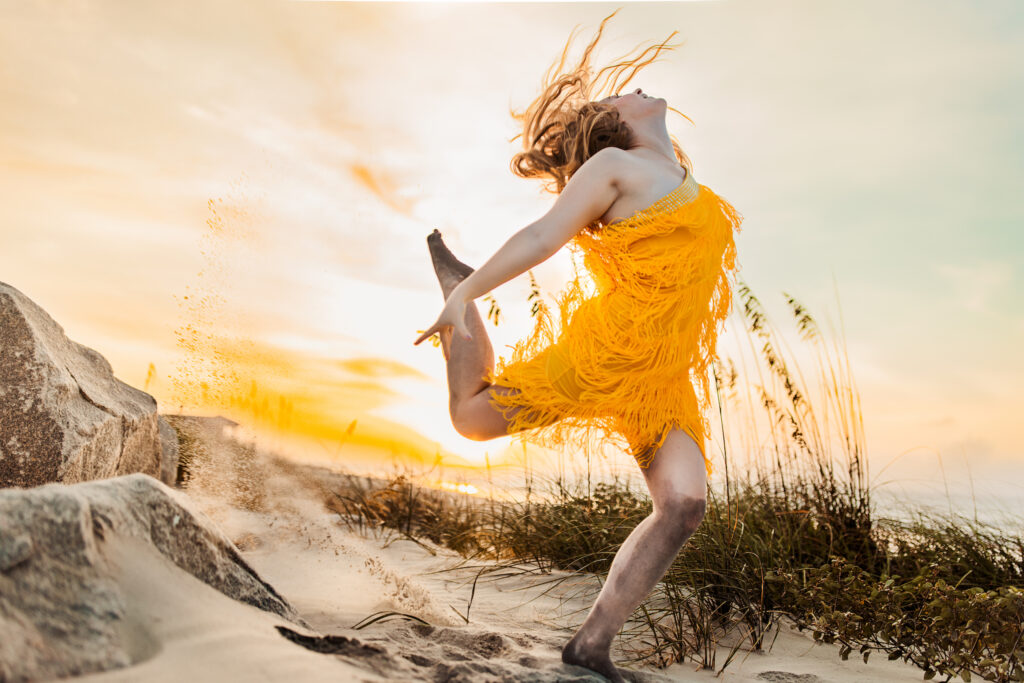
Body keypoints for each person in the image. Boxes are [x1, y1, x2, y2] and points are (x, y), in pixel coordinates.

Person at [413, 11, 742, 682]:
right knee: (471, 419)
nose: (638, 88)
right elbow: (541, 237)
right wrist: (468, 287)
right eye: (625, 93)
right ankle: (462, 306)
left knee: (684, 505)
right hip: (607, 350)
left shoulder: (683, 179)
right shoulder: (615, 166)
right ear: (615, 122)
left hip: (661, 375)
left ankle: (590, 644)